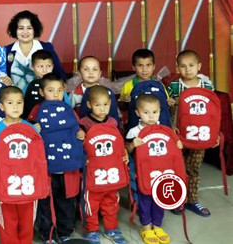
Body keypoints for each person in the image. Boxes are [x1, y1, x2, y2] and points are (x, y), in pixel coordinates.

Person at [31, 73, 84, 244]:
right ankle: (46, 234)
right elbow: (26, 132)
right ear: (42, 92)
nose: (55, 94)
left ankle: (65, 232)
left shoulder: (69, 110)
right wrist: (33, 129)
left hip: (67, 168)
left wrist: (81, 134)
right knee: (45, 201)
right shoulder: (37, 110)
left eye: (59, 90)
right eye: (50, 90)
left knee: (66, 201)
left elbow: (77, 128)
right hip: (46, 168)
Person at [126, 94, 182, 244]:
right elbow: (126, 152)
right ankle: (146, 227)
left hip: (161, 172)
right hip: (143, 174)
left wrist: (177, 145)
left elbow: (173, 151)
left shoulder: (165, 130)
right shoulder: (134, 132)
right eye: (146, 112)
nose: (151, 116)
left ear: (160, 111)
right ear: (138, 113)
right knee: (145, 199)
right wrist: (132, 145)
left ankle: (157, 225)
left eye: (155, 112)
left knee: (160, 198)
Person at [167, 49, 214, 217]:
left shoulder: (207, 86)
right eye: (183, 66)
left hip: (199, 135)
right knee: (176, 167)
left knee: (193, 168)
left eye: (191, 65)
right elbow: (165, 110)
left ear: (199, 66)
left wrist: (214, 134)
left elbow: (213, 113)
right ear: (177, 67)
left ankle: (192, 201)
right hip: (178, 134)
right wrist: (169, 105)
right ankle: (177, 199)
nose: (187, 70)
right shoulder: (173, 86)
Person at [79, 86, 127, 244]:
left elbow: (119, 143)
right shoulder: (83, 123)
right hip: (93, 174)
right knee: (91, 203)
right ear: (89, 105)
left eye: (105, 104)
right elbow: (80, 146)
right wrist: (80, 137)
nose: (102, 109)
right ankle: (92, 230)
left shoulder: (113, 122)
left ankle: (111, 228)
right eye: (97, 105)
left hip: (111, 172)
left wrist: (124, 154)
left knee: (111, 202)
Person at [0, 86, 38, 244]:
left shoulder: (30, 128)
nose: (15, 107)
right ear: (2, 106)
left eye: (19, 102)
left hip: (28, 184)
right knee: (7, 222)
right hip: (6, 184)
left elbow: (37, 159)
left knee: (27, 222)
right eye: (10, 103)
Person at [5, 10, 64, 90]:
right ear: (15, 30)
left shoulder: (46, 48)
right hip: (15, 96)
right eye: (21, 28)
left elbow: (59, 72)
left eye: (29, 28)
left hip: (43, 95)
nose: (25, 32)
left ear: (34, 30)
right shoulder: (7, 50)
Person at [23, 50, 55, 119]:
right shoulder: (28, 86)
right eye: (40, 66)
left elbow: (67, 105)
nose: (44, 70)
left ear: (53, 66)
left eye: (48, 66)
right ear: (32, 67)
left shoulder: (57, 85)